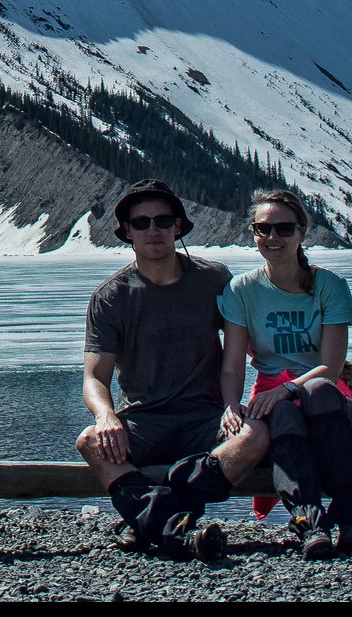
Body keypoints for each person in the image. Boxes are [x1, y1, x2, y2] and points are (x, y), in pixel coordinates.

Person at [73, 179, 244, 552]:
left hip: (206, 419)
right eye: (142, 223)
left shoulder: (214, 280)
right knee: (90, 440)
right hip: (144, 421)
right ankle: (173, 524)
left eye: (163, 221)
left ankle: (151, 520)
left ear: (178, 227)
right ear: (127, 232)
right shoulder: (111, 297)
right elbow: (94, 378)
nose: (153, 230)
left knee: (256, 435)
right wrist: (106, 416)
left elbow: (246, 344)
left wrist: (320, 363)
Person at [217, 187, 352, 556]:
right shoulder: (242, 289)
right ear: (252, 233)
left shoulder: (329, 286)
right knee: (282, 412)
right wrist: (230, 405)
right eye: (263, 229)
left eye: (284, 229)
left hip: (327, 397)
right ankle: (310, 522)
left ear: (302, 232)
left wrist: (286, 389)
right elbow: (233, 363)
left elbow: (330, 369)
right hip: (272, 399)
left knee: (314, 391)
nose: (273, 238)